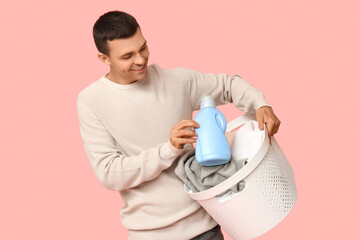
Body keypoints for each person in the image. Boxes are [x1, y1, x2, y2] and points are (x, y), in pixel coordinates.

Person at [77, 10, 281, 240]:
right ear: (104, 59)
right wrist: (168, 149)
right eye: (128, 56)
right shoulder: (91, 101)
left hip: (206, 227)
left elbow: (228, 85)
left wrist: (260, 104)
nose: (141, 60)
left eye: (143, 47)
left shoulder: (176, 81)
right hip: (150, 234)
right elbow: (109, 173)